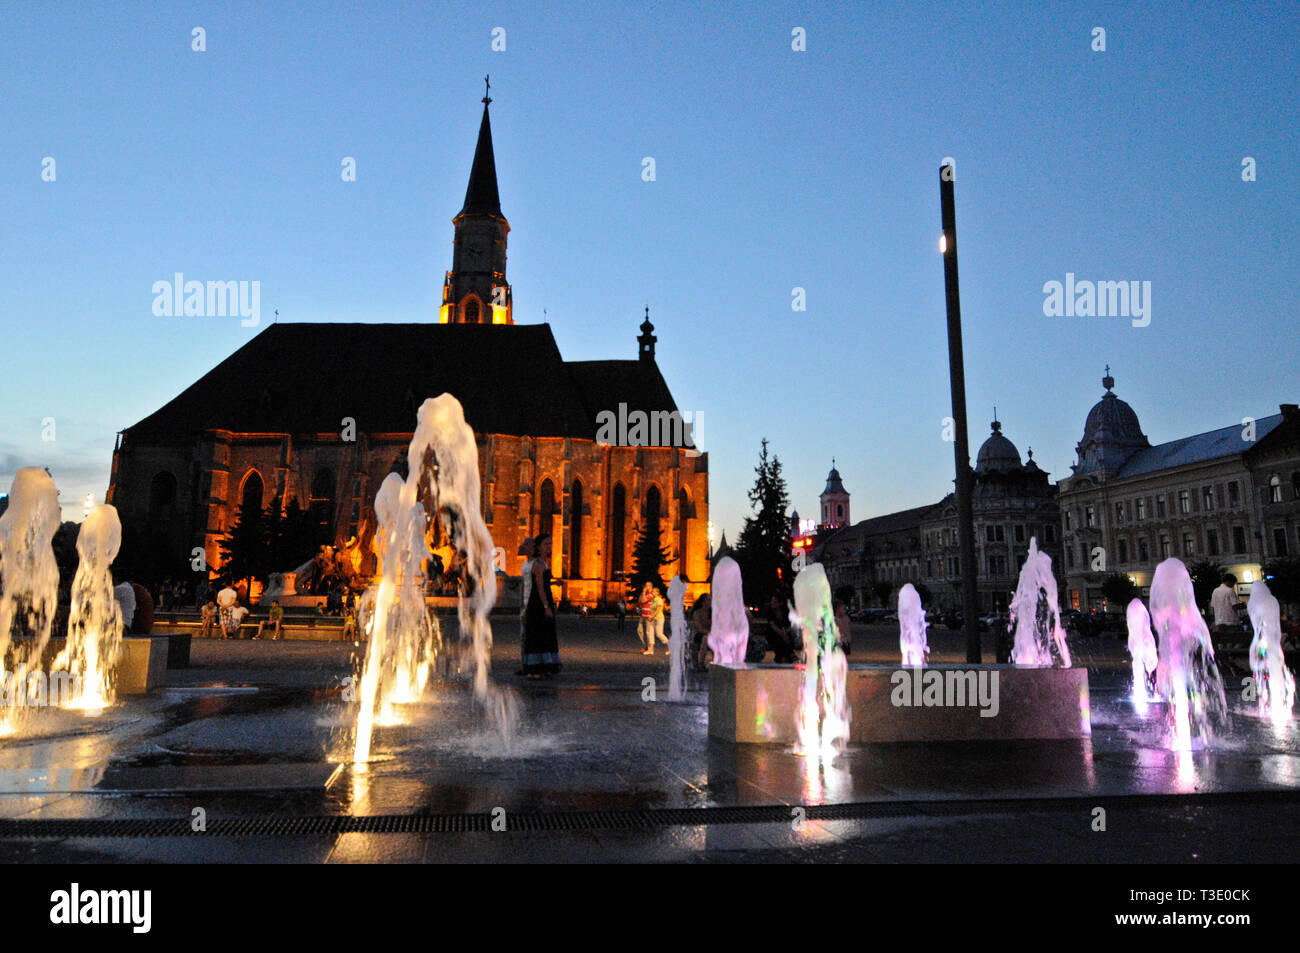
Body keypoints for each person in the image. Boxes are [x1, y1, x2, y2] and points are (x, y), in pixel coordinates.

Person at [521, 534, 560, 676]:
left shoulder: (543, 562)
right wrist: (546, 607)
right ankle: (536, 668)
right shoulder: (538, 564)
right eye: (546, 544)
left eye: (550, 544)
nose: (549, 547)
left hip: (543, 600)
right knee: (539, 634)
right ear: (538, 547)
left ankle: (544, 665)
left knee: (545, 633)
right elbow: (539, 587)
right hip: (538, 603)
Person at [516, 537, 535, 673]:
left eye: (525, 545)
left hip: (534, 604)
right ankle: (525, 664)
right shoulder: (525, 565)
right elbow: (524, 583)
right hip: (526, 604)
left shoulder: (536, 564)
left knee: (532, 635)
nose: (523, 548)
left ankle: (532, 664)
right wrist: (522, 600)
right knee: (524, 635)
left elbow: (538, 585)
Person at [764, 593, 798, 663]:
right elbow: (772, 625)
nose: (772, 603)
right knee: (777, 637)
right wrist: (783, 634)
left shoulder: (785, 611)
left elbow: (791, 624)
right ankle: (787, 654)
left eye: (775, 601)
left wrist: (786, 632)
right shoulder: (769, 610)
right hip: (774, 632)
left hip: (785, 631)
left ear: (780, 603)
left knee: (789, 636)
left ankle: (786, 655)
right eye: (772, 601)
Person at [637, 582, 668, 656]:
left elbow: (658, 608)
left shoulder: (658, 599)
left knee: (659, 634)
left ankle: (671, 647)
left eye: (654, 591)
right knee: (650, 633)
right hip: (651, 618)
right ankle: (650, 649)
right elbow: (641, 601)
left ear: (657, 592)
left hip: (658, 618)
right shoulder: (654, 599)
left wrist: (652, 616)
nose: (652, 592)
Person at [1210, 575, 1240, 647]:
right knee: (1231, 640)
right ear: (1229, 581)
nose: (1233, 585)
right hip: (1230, 620)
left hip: (1219, 620)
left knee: (1222, 640)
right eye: (1233, 583)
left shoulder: (1215, 591)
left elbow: (1213, 606)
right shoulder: (1230, 591)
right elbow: (1235, 605)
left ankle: (1223, 656)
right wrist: (1244, 605)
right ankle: (1230, 655)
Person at [690, 592, 712, 670]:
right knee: (705, 638)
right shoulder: (697, 613)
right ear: (703, 602)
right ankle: (701, 663)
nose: (711, 601)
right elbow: (699, 628)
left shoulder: (712, 613)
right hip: (700, 634)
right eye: (709, 600)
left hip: (712, 634)